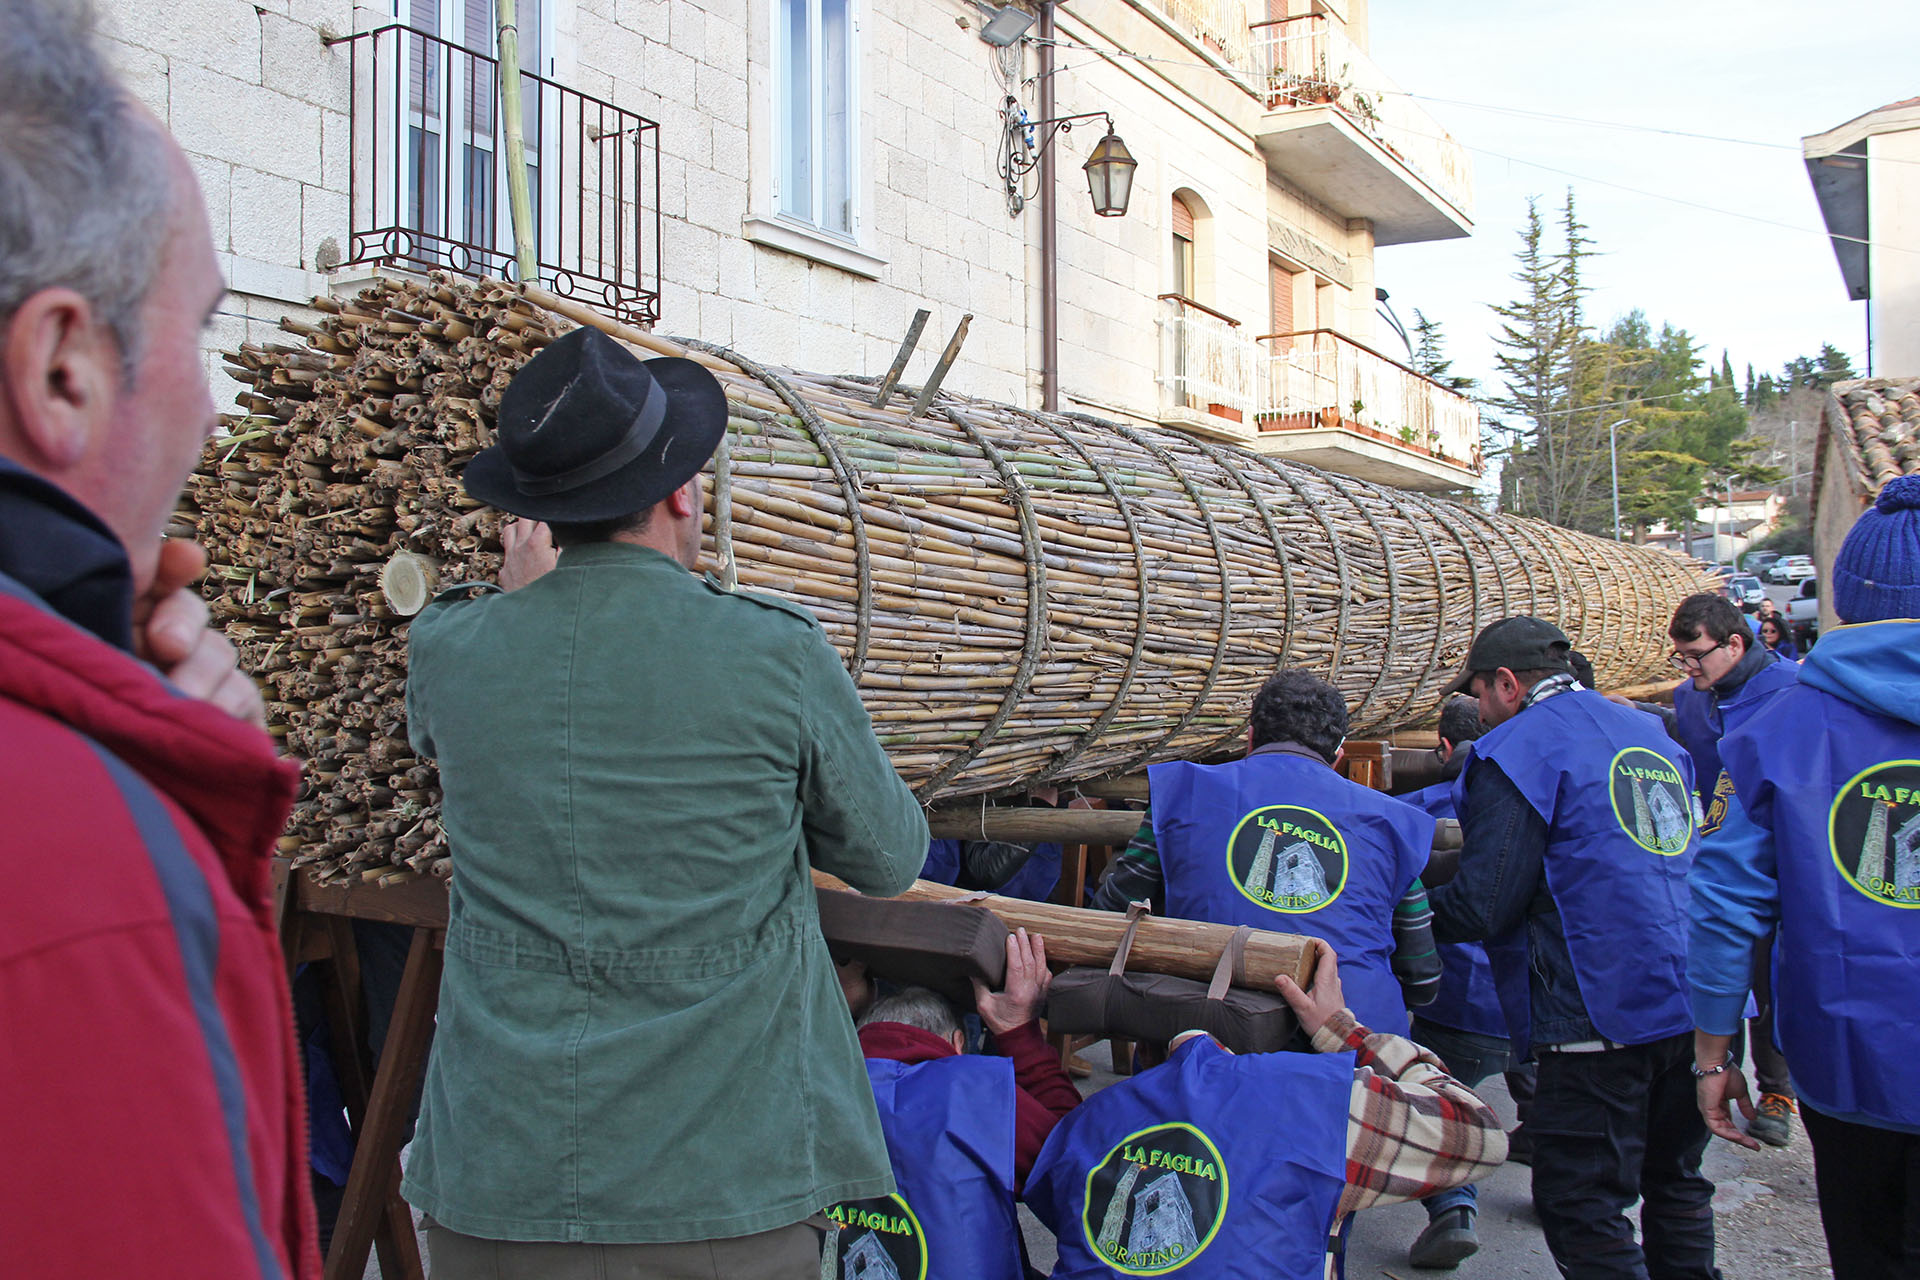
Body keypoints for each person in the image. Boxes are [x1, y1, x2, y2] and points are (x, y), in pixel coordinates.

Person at [401, 327, 931, 1275]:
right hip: (724, 1189)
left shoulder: (449, 649)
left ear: (538, 515)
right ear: (681, 493)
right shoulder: (774, 651)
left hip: (500, 1180)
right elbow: (892, 859)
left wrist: (517, 603)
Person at [0, 3, 317, 1275]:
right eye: (198, 332)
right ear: (64, 368)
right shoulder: (75, 865)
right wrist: (139, 811)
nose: (208, 397)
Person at [1427, 617, 1721, 1280]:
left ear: (1505, 683)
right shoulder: (1650, 734)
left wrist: (1401, 918)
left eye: (1476, 692)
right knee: (1675, 1181)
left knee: (1580, 1201)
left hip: (1599, 1010)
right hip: (1698, 997)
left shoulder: (1518, 749)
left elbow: (1485, 902)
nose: (1477, 708)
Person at [1692, 475, 1920, 1279]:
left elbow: (1723, 910)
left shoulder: (1779, 729)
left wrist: (1715, 1057)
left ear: (1844, 599)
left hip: (1850, 1058)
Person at [1023, 941, 1506, 1279]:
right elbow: (1480, 1130)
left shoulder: (1090, 1121)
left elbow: (1057, 1200)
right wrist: (1344, 1034)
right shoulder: (1317, 1107)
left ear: (1143, 1052)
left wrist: (1017, 1032)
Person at [1092, 669, 1439, 1034]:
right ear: (1338, 756)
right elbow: (1422, 976)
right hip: (1355, 1055)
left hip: (1207, 1042)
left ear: (1250, 738)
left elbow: (1112, 914)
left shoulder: (1183, 792)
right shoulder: (1392, 824)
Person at [828, 931, 1080, 1278]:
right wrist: (1017, 1031)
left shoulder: (810, 1086)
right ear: (958, 1043)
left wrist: (835, 1009)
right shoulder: (975, 1092)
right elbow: (1073, 1169)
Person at [1398, 695, 1528, 1269]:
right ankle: (1557, 1173)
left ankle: (1453, 1206)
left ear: (1443, 748)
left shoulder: (1411, 812)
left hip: (1457, 999)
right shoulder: (1533, 799)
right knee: (1550, 1092)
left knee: (1436, 1104)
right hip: (1531, 996)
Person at [1667, 593, 1800, 1149]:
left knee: (1772, 974)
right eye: (1681, 657)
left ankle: (1779, 1089)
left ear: (1736, 644)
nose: (1689, 667)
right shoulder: (1693, 698)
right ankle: (1723, 1066)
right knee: (1728, 968)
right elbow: (1682, 733)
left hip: (1779, 857)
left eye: (1696, 654)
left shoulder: (1792, 695)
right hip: (1720, 847)